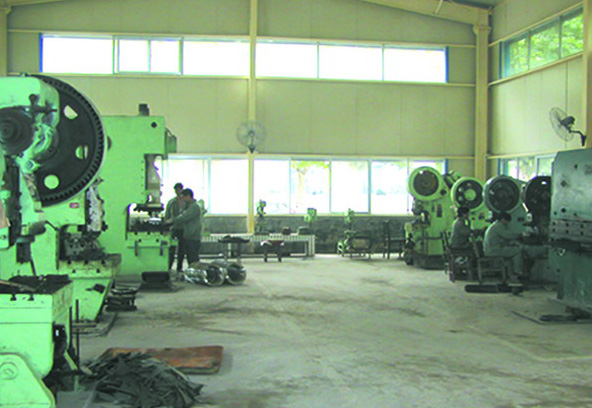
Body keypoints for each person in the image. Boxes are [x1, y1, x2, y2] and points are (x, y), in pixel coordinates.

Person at [483, 212, 523, 281]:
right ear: (503, 219)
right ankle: (518, 272)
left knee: (511, 255)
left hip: (491, 249)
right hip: (494, 250)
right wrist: (521, 234)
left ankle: (512, 276)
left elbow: (502, 240)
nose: (507, 223)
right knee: (518, 250)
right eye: (507, 221)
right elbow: (509, 235)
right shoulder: (498, 226)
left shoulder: (494, 225)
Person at [172, 188, 202, 266]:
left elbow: (184, 217)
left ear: (188, 196)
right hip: (188, 235)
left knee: (193, 258)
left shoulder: (194, 206)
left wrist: (172, 220)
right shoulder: (188, 205)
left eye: (183, 197)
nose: (183, 199)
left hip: (193, 236)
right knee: (189, 257)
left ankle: (195, 272)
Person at [165, 182, 186, 272]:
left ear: (182, 190)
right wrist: (166, 226)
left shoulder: (186, 202)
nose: (177, 192)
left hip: (183, 228)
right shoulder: (171, 202)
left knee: (182, 249)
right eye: (176, 190)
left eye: (179, 190)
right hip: (174, 228)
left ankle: (179, 267)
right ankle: (169, 266)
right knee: (171, 249)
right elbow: (167, 215)